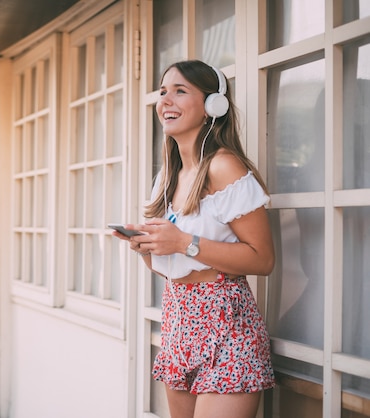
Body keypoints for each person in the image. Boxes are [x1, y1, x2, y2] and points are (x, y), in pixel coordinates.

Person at [112, 60, 275, 418]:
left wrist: (184, 241)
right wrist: (149, 248)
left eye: (180, 91)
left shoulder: (224, 167)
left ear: (212, 106)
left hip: (225, 327)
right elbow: (177, 268)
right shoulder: (168, 177)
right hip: (178, 320)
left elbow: (263, 259)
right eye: (162, 91)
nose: (165, 100)